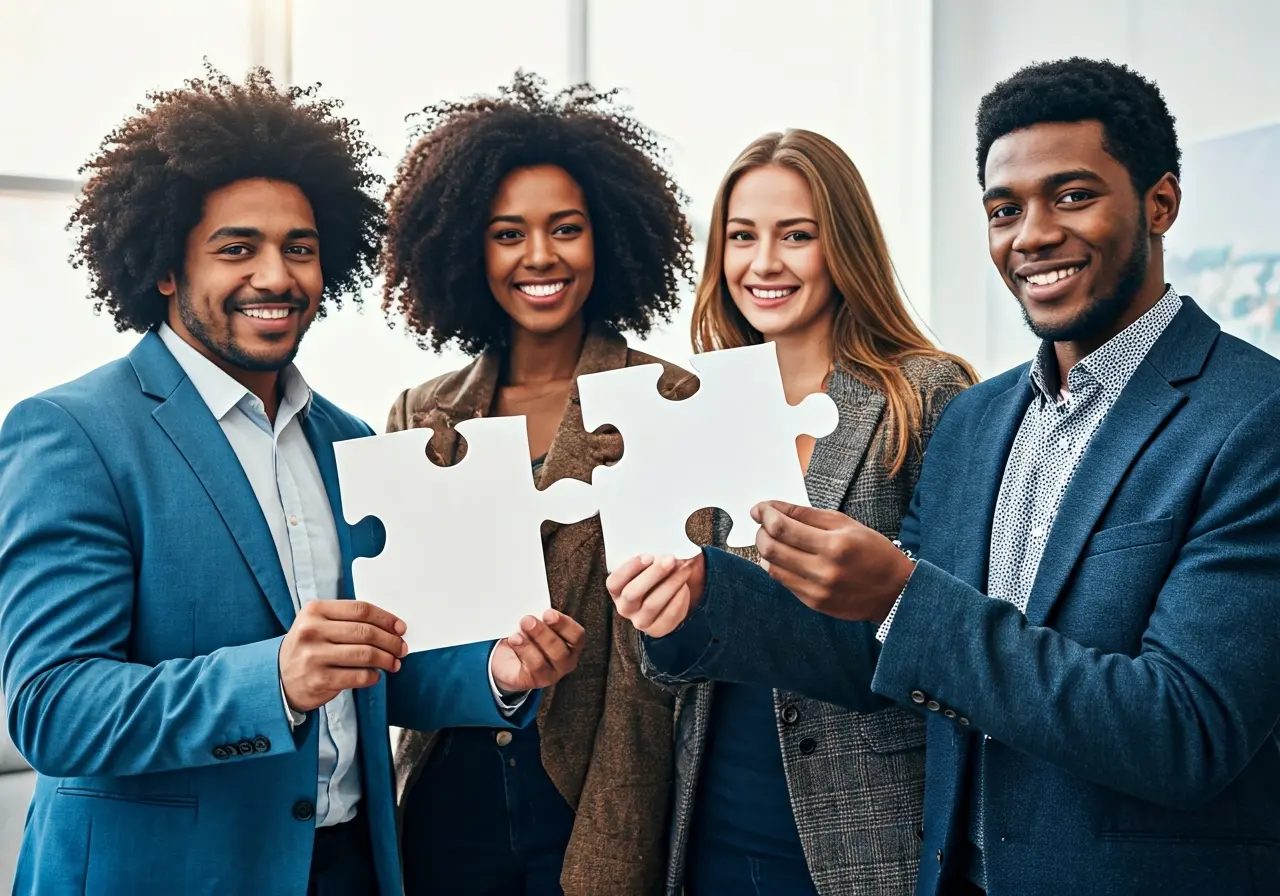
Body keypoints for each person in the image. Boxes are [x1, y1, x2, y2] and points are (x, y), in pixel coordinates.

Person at [606, 57, 1280, 896]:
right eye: (1006, 209)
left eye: (1072, 196)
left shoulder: (1254, 418)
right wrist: (701, 598)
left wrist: (900, 596)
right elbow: (876, 653)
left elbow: (1187, 731)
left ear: (1161, 203)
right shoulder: (979, 423)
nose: (1031, 234)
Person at [0, 66, 584, 896]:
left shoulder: (347, 440)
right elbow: (55, 707)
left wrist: (498, 673)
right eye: (237, 248)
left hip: (346, 866)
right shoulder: (73, 432)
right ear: (165, 268)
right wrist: (272, 679)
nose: (276, 277)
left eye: (299, 249)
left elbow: (382, 661)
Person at [379, 70, 708, 895]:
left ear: (609, 239)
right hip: (446, 787)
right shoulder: (422, 414)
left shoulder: (665, 400)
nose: (539, 257)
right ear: (464, 246)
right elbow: (398, 632)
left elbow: (677, 651)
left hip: (599, 791)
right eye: (506, 233)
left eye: (566, 228)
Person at [657, 129, 974, 896]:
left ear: (845, 246)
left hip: (869, 825)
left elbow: (954, 628)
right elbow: (680, 653)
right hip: (714, 812)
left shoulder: (925, 395)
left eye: (796, 235)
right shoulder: (698, 408)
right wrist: (665, 618)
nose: (764, 263)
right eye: (742, 237)